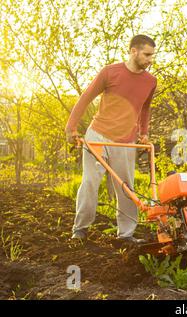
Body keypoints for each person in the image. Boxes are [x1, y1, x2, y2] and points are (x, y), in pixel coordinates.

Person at [65, 35, 157, 243]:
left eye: (153, 55)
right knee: (90, 182)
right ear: (134, 51)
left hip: (126, 140)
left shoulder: (151, 81)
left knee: (126, 187)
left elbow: (145, 107)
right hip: (98, 136)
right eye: (147, 54)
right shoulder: (110, 72)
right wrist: (71, 127)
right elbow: (86, 97)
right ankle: (80, 229)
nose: (151, 59)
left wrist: (143, 132)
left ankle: (126, 234)